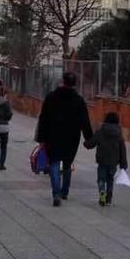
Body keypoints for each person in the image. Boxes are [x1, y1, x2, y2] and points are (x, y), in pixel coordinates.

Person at [35, 72, 93, 207]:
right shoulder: (79, 101)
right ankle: (64, 192)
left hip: (52, 136)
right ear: (75, 84)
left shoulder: (51, 97)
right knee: (67, 164)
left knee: (54, 164)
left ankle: (56, 193)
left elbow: (43, 119)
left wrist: (41, 138)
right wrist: (89, 138)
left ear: (62, 81)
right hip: (71, 138)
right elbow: (85, 121)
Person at [84, 112, 128, 207]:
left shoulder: (101, 132)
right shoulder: (119, 134)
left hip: (102, 161)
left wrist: (86, 144)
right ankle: (108, 199)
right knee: (110, 180)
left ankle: (102, 196)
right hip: (113, 162)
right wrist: (123, 164)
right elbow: (122, 149)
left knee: (101, 179)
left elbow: (91, 143)